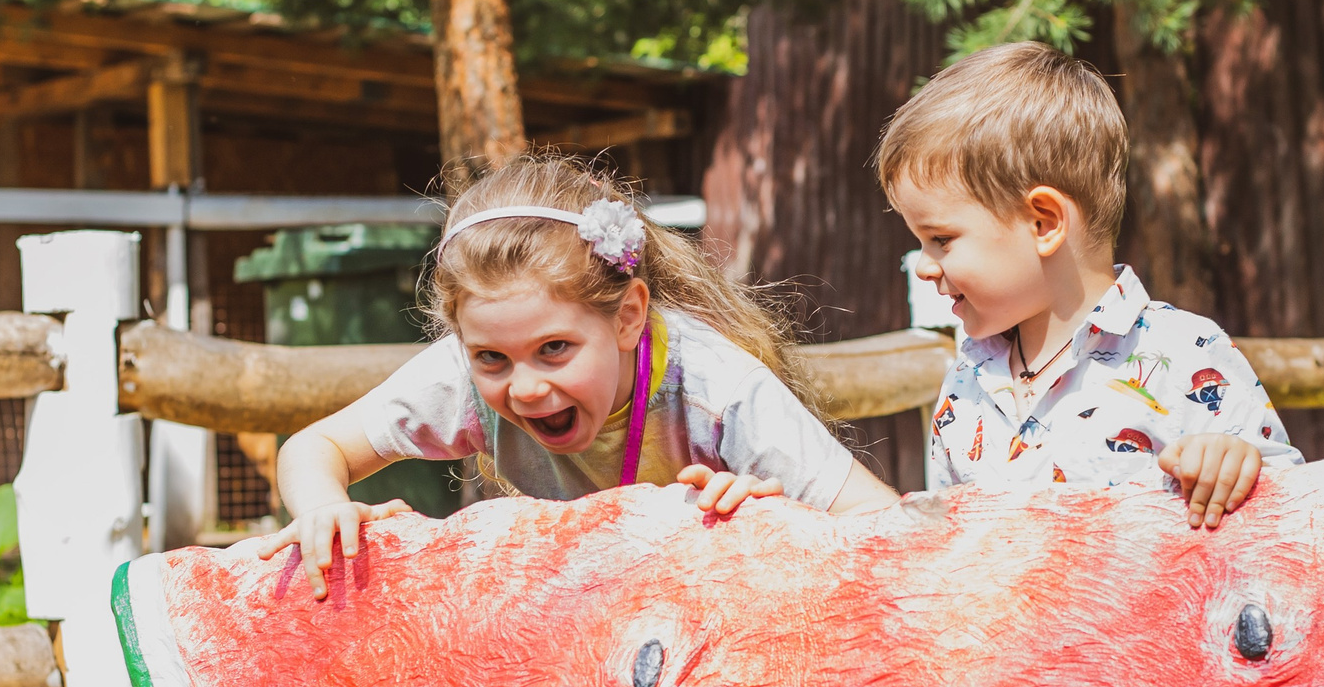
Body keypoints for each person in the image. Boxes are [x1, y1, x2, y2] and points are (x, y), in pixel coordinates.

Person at [258, 155, 901, 598]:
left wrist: (782, 521)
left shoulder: (717, 390)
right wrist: (322, 510)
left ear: (627, 317)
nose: (526, 387)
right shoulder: (465, 371)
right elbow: (314, 447)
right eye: (492, 360)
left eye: (555, 348)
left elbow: (888, 530)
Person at [883, 42, 1301, 528]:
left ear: (1043, 223)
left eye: (941, 239)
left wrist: (1232, 464)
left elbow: (1289, 515)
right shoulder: (967, 382)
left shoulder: (1184, 353)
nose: (924, 266)